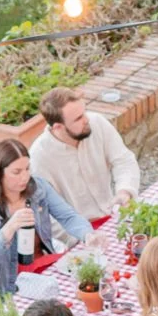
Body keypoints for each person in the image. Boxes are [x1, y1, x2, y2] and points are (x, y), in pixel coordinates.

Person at [0, 137, 90, 293]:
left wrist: (88, 235)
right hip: (8, 283)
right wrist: (9, 228)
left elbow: (67, 216)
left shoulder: (37, 188)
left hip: (44, 267)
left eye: (27, 168)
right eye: (16, 172)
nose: (25, 177)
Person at [26, 87, 140, 225]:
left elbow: (124, 161)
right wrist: (81, 235)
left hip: (114, 215)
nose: (86, 119)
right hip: (78, 234)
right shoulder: (39, 158)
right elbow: (44, 212)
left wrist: (124, 191)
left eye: (84, 112)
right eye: (78, 118)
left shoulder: (97, 123)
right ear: (58, 127)